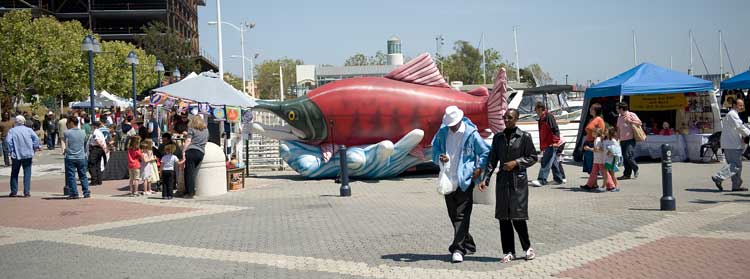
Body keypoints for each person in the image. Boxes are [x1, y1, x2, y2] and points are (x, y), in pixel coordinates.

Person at [431, 105, 489, 263]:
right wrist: (439, 156)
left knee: (462, 215)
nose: (452, 127)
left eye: (454, 124)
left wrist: (478, 168)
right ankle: (468, 243)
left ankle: (458, 249)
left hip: (465, 179)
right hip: (448, 179)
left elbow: (485, 151)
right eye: (449, 125)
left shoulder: (471, 134)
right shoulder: (442, 133)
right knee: (453, 215)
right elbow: (434, 150)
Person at [479, 108, 538, 263]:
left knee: (518, 217)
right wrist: (486, 179)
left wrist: (516, 163)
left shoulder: (524, 136)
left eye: (510, 118)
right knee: (503, 218)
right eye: (505, 117)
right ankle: (508, 251)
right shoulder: (498, 138)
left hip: (518, 182)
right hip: (503, 182)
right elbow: (492, 160)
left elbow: (533, 157)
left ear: (516, 119)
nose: (506, 120)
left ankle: (527, 248)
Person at [711, 99, 750, 192]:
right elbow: (740, 126)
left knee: (736, 166)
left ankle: (736, 186)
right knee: (735, 165)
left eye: (742, 105)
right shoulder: (732, 114)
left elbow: (739, 127)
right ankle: (718, 177)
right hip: (732, 144)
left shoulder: (733, 114)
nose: (742, 107)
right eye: (740, 105)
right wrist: (748, 133)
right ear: (734, 105)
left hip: (732, 143)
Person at [6, 115, 41, 197]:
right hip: (28, 154)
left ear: (16, 122)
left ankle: (14, 191)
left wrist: (11, 150)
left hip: (16, 154)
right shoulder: (29, 130)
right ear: (24, 122)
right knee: (27, 173)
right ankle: (26, 191)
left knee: (14, 173)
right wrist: (34, 147)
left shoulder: (12, 131)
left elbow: (8, 141)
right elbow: (36, 139)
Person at [531, 102, 565, 186]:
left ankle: (542, 180)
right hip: (547, 143)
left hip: (552, 143)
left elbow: (555, 129)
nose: (536, 111)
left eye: (536, 109)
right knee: (553, 161)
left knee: (545, 161)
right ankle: (558, 179)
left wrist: (556, 142)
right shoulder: (541, 119)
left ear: (540, 109)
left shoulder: (548, 116)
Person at [63, 116, 90, 199]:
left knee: (71, 176)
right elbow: (85, 143)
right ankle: (86, 192)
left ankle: (74, 193)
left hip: (70, 157)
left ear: (71, 123)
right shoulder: (83, 132)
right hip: (81, 156)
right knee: (83, 175)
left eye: (68, 123)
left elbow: (66, 143)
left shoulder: (67, 133)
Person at [182, 116, 209, 198]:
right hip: (201, 152)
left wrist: (183, 151)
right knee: (192, 172)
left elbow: (188, 140)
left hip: (191, 151)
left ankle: (190, 193)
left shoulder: (191, 128)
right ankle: (189, 191)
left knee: (188, 173)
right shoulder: (206, 130)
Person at [616, 102, 642, 180]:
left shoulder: (631, 114)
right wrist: (617, 138)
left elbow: (639, 123)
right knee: (625, 157)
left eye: (617, 108)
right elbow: (618, 129)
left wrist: (631, 121)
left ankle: (635, 168)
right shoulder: (619, 117)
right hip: (622, 140)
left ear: (621, 109)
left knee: (628, 155)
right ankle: (626, 174)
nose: (616, 110)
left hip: (630, 139)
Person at [582, 103, 606, 174]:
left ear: (596, 110)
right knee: (590, 165)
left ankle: (593, 183)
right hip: (588, 142)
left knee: (593, 165)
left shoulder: (599, 119)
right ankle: (592, 183)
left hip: (594, 143)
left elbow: (601, 132)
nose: (590, 109)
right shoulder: (592, 119)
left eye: (592, 108)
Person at [87, 121, 107, 186]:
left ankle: (94, 180)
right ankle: (99, 180)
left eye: (91, 126)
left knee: (91, 164)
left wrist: (102, 147)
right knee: (97, 164)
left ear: (94, 126)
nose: (91, 127)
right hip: (99, 149)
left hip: (96, 148)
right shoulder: (99, 132)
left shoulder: (95, 132)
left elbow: (97, 140)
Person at [603, 127, 622, 192]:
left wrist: (610, 151)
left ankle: (615, 187)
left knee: (611, 173)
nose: (605, 132)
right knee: (609, 173)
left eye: (606, 131)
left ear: (610, 132)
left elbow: (616, 150)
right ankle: (609, 186)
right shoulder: (606, 140)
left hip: (612, 160)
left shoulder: (613, 141)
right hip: (607, 159)